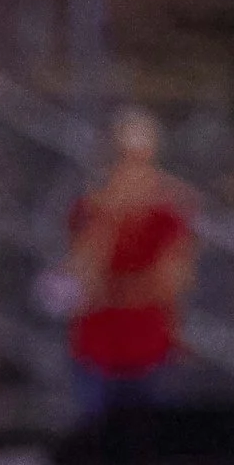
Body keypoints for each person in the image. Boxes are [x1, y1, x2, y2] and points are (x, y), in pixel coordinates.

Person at [64, 107, 194, 416]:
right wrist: (110, 217)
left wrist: (119, 290)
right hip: (98, 351)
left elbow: (172, 282)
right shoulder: (90, 211)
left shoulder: (170, 213)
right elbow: (84, 279)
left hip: (150, 351)